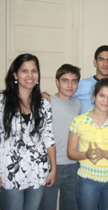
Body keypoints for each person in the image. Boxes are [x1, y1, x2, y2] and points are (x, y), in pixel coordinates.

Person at [0, 54, 56, 210]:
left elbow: (48, 137)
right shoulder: (2, 102)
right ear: (15, 74)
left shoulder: (44, 103)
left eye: (34, 71)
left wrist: (53, 168)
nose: (30, 75)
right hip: (10, 171)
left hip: (38, 170)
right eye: (25, 71)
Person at [67, 78, 108, 210]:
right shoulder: (78, 121)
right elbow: (71, 152)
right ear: (94, 96)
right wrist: (86, 154)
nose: (105, 101)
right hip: (87, 181)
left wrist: (104, 153)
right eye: (101, 95)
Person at [39, 64, 82, 210]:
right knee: (46, 206)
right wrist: (41, 93)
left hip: (73, 165)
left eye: (74, 81)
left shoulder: (78, 104)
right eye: (65, 80)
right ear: (57, 82)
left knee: (71, 206)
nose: (70, 85)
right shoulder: (46, 102)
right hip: (51, 165)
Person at [42, 45, 108, 114]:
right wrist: (46, 96)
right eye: (101, 59)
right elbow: (61, 98)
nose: (105, 64)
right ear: (95, 62)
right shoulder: (81, 84)